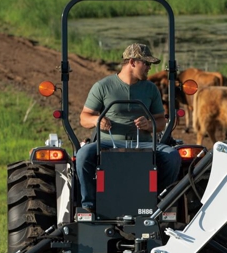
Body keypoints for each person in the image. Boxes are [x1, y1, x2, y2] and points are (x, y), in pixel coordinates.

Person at [76, 43, 181, 212]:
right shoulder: (103, 86)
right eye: (146, 63)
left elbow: (161, 121)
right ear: (132, 62)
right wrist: (97, 121)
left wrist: (150, 124)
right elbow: (84, 117)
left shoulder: (151, 89)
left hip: (144, 143)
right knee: (83, 155)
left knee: (172, 156)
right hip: (108, 143)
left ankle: (160, 202)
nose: (149, 68)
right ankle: (89, 205)